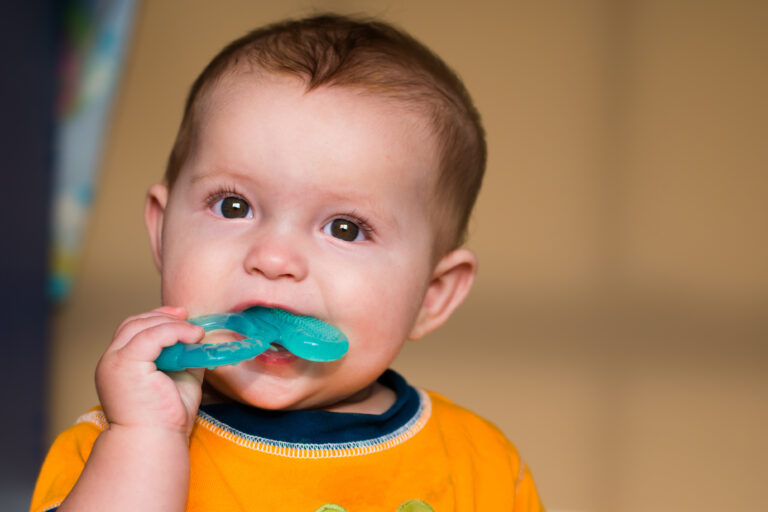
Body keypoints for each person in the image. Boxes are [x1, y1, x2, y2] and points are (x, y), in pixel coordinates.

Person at [31, 14, 543, 512]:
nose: (274, 259)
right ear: (163, 231)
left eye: (346, 228)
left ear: (433, 295)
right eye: (234, 206)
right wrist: (146, 439)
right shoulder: (110, 447)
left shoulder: (479, 463)